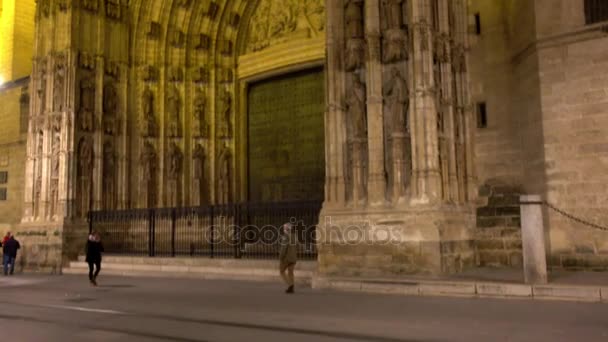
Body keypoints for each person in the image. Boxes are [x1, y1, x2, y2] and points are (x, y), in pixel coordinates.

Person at [278, 222, 298, 294]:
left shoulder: (285, 237)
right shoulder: (294, 236)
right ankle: (291, 287)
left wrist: (280, 257)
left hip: (286, 258)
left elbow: (284, 248)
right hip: (293, 257)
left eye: (284, 228)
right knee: (290, 272)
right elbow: (297, 246)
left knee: (282, 271)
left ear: (286, 229)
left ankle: (290, 285)